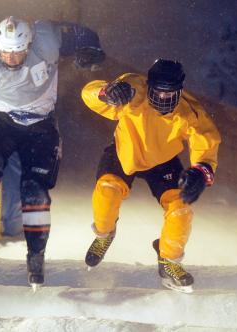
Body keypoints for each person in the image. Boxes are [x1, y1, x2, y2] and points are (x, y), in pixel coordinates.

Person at [0, 16, 105, 289]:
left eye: (18, 51)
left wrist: (90, 47)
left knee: (34, 188)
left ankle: (36, 254)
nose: (10, 58)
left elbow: (82, 34)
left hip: (40, 124)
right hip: (1, 120)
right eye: (5, 52)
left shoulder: (46, 39)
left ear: (30, 45)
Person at [81, 59, 221, 293]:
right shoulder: (132, 89)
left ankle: (169, 260)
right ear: (150, 85)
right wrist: (106, 92)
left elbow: (207, 143)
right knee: (107, 192)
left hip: (163, 162)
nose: (163, 100)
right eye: (158, 93)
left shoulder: (190, 112)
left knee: (181, 209)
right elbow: (88, 95)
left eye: (170, 95)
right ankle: (105, 234)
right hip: (124, 152)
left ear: (180, 90)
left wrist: (201, 171)